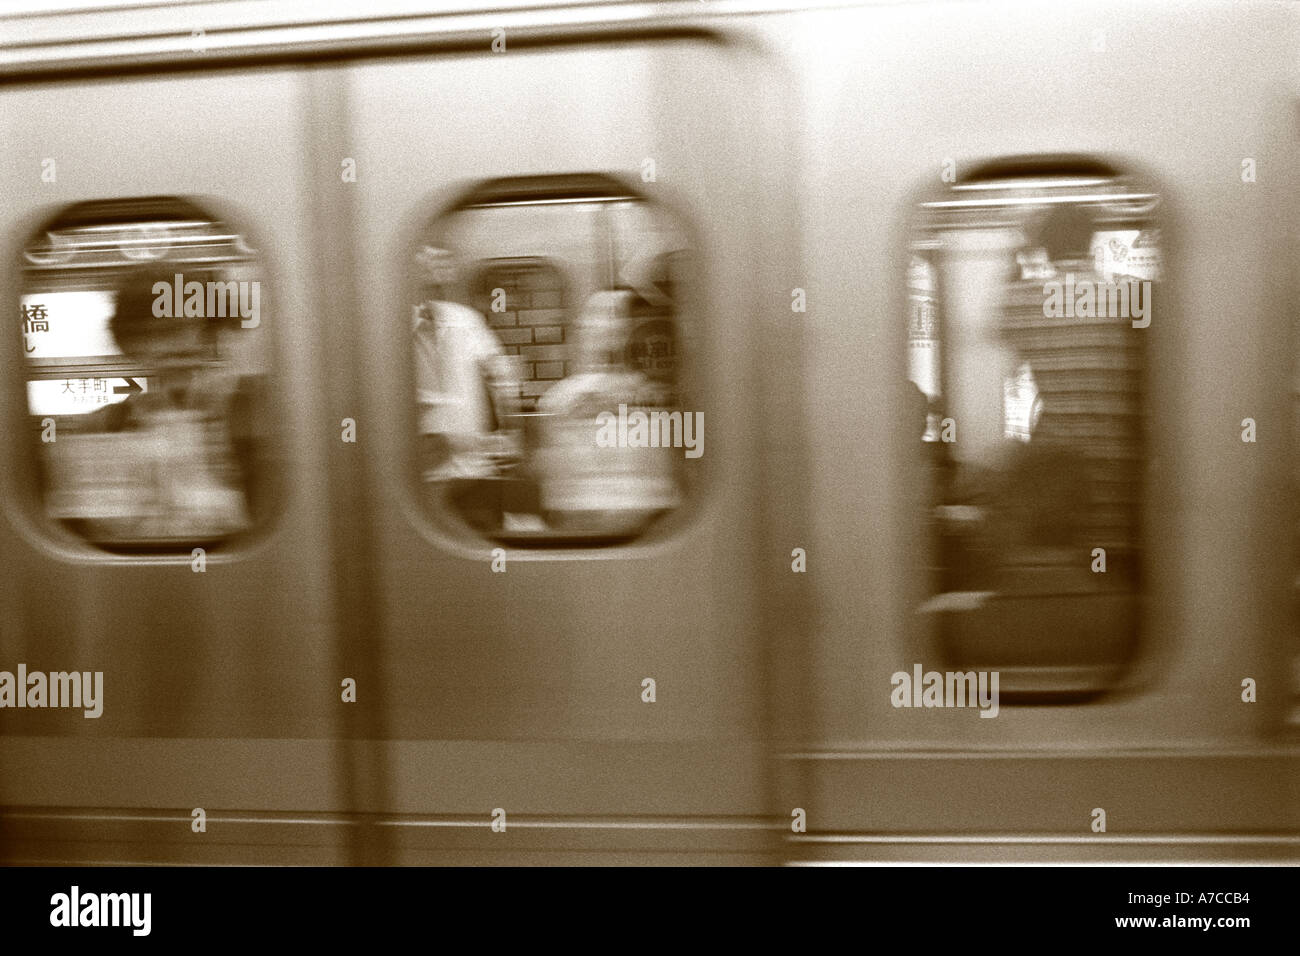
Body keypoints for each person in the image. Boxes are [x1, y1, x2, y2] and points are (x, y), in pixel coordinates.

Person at [50, 263, 251, 541]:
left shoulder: (248, 417)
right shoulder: (102, 427)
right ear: (128, 346)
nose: (176, 347)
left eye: (187, 328)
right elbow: (91, 533)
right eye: (156, 332)